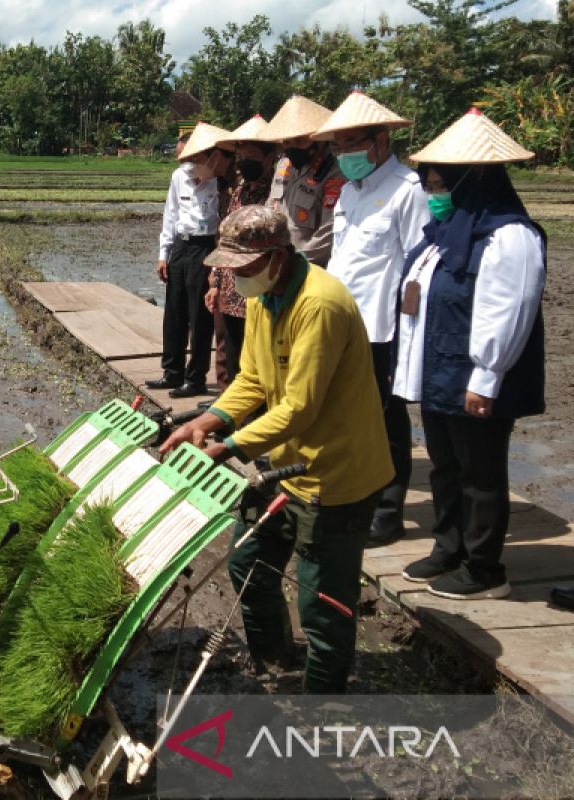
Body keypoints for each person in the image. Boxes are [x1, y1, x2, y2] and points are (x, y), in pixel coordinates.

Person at [160, 205, 392, 692]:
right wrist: (207, 420)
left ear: (277, 256)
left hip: (335, 475)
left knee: (322, 599)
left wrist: (226, 447)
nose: (235, 277)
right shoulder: (264, 298)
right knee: (249, 567)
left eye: (243, 267)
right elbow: (251, 380)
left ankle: (323, 699)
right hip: (284, 465)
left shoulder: (319, 305)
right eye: (230, 268)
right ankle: (274, 661)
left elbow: (301, 407)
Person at [393, 108, 546, 600]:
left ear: (472, 180)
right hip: (440, 372)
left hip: (477, 377)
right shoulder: (443, 235)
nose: (434, 194)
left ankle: (484, 569)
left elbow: (510, 310)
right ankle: (449, 547)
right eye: (430, 184)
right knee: (444, 465)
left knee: (480, 472)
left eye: (442, 184)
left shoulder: (509, 236)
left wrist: (486, 375)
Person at [311, 90, 431, 547]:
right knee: (346, 412)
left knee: (386, 416)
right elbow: (342, 258)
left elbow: (420, 263)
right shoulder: (349, 194)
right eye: (337, 147)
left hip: (384, 325)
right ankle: (355, 494)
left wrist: (410, 330)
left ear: (380, 141)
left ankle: (388, 510)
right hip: (343, 320)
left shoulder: (407, 191)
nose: (344, 155)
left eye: (352, 144)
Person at [146, 122, 234, 398]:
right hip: (181, 248)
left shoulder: (223, 183)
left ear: (208, 156)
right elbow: (170, 215)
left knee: (200, 317)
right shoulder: (178, 177)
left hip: (206, 247)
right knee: (174, 313)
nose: (187, 164)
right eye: (182, 159)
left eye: (192, 158)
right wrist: (164, 254)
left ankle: (195, 379)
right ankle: (172, 373)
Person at [208, 115, 276, 388]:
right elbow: (224, 237)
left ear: (269, 157)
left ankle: (249, 413)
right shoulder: (238, 192)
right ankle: (224, 408)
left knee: (255, 354)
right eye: (240, 155)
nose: (243, 161)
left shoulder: (275, 193)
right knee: (227, 350)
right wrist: (215, 279)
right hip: (229, 285)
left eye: (251, 155)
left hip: (257, 286)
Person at [259, 95, 344, 268]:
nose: (292, 147)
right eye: (287, 142)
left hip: (308, 269)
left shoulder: (335, 173)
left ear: (319, 139)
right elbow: (270, 209)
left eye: (300, 141)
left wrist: (295, 263)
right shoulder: (284, 166)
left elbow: (329, 233)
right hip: (276, 263)